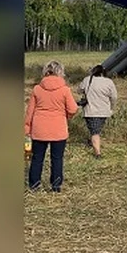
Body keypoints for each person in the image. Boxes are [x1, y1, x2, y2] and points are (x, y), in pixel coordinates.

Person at [24, 60, 78, 192]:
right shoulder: (65, 90)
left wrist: (26, 127)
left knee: (37, 158)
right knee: (57, 159)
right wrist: (66, 117)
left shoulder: (37, 89)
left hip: (39, 129)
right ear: (60, 72)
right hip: (58, 129)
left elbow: (30, 111)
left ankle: (34, 185)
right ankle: (56, 185)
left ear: (46, 72)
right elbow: (73, 109)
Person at [79, 65, 117, 156]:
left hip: (91, 111)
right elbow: (114, 97)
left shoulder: (87, 79)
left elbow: (79, 90)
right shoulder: (109, 82)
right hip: (104, 111)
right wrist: (112, 108)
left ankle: (97, 153)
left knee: (95, 132)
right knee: (96, 130)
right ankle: (94, 144)